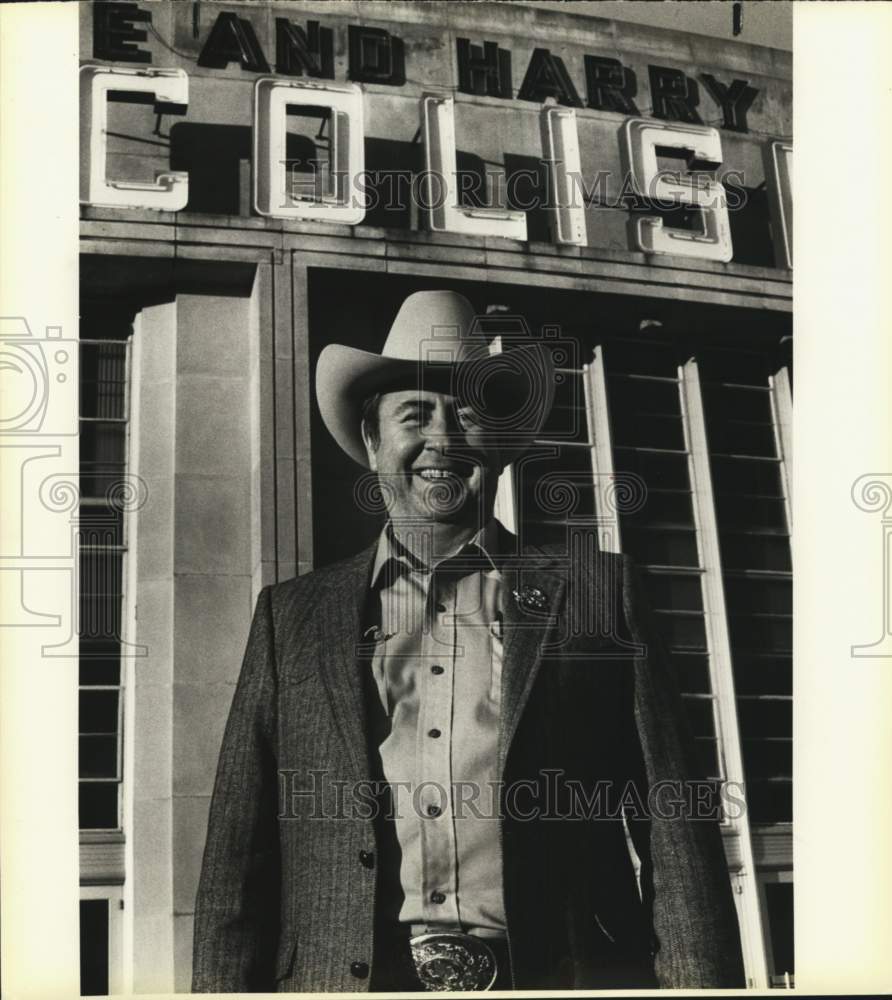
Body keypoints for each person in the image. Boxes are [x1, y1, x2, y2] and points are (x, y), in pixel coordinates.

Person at [192, 290, 745, 992]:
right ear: (372, 442)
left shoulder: (597, 593)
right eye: (414, 414)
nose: (443, 439)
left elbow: (672, 824)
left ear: (505, 443)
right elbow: (237, 867)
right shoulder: (290, 617)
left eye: (469, 412)